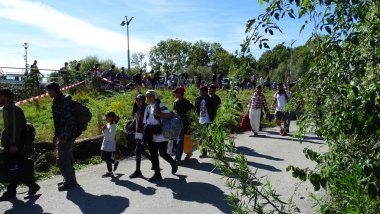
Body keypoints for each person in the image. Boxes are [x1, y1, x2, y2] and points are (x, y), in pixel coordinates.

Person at [0, 89, 40, 201]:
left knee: (17, 166)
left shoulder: (14, 109)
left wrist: (14, 144)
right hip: (11, 143)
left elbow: (16, 128)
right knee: (12, 167)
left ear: (4, 96)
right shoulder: (7, 108)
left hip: (15, 144)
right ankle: (11, 191)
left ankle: (32, 186)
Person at [47, 82, 79, 191]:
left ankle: (70, 181)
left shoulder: (64, 101)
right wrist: (56, 135)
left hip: (67, 134)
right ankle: (69, 179)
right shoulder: (56, 101)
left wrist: (64, 136)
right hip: (63, 134)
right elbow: (58, 121)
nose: (48, 93)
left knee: (63, 159)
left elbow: (68, 119)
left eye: (49, 91)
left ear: (54, 90)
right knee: (67, 157)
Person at [143, 90, 178, 182]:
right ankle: (157, 174)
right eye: (147, 97)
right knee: (154, 155)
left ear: (155, 97)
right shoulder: (147, 108)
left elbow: (171, 114)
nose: (148, 98)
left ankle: (173, 162)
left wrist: (159, 114)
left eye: (150, 96)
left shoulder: (160, 105)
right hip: (151, 134)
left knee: (162, 153)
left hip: (161, 134)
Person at [129, 94, 152, 179]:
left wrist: (140, 115)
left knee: (138, 150)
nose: (137, 101)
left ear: (143, 100)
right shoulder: (135, 106)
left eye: (139, 100)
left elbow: (148, 122)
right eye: (136, 100)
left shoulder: (147, 108)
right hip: (138, 130)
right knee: (140, 150)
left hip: (145, 131)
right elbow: (134, 118)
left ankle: (138, 171)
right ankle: (153, 162)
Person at [194, 86, 218, 158]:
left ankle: (204, 152)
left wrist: (213, 119)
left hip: (208, 120)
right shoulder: (198, 99)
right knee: (206, 136)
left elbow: (214, 110)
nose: (199, 92)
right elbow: (196, 109)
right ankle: (211, 146)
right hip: (200, 120)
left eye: (200, 91)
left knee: (204, 137)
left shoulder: (211, 100)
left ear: (204, 92)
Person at [172, 87, 194, 162]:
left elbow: (190, 115)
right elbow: (175, 113)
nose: (175, 94)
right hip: (177, 125)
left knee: (181, 141)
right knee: (182, 140)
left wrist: (190, 126)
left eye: (176, 93)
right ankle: (188, 153)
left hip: (185, 124)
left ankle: (178, 158)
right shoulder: (175, 102)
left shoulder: (187, 103)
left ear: (181, 94)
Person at [100, 112, 120, 177]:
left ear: (111, 118)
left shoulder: (113, 127)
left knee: (107, 158)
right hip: (106, 143)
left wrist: (104, 130)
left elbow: (110, 136)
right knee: (103, 157)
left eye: (107, 117)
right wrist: (103, 130)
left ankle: (110, 172)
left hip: (110, 144)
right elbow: (105, 134)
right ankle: (115, 162)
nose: (106, 118)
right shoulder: (108, 124)